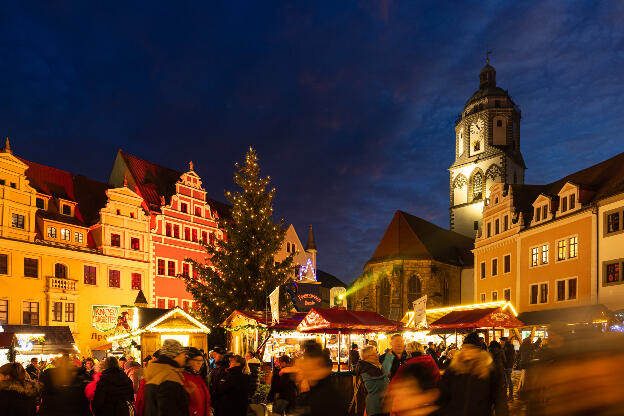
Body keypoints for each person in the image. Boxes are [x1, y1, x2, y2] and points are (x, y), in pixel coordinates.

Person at [435, 332, 508, 416]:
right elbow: (443, 396)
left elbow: (500, 400)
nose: (467, 351)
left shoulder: (489, 371)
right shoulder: (454, 369)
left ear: (478, 351)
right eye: (465, 348)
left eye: (471, 348)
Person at [291, 340, 349, 416]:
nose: (302, 365)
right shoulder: (312, 393)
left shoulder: (326, 398)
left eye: (306, 360)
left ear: (318, 363)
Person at [143, 339, 190, 416]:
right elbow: (168, 409)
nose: (185, 356)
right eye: (182, 353)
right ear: (175, 355)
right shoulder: (169, 376)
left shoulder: (157, 371)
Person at [354, 345, 391, 416]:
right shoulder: (367, 368)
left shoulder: (372, 366)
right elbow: (382, 384)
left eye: (376, 353)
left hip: (378, 405)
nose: (377, 356)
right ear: (366, 357)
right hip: (375, 407)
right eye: (374, 355)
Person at [183, 347, 211, 416]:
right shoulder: (183, 378)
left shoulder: (198, 377)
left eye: (201, 361)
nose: (200, 363)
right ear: (187, 361)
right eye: (196, 360)